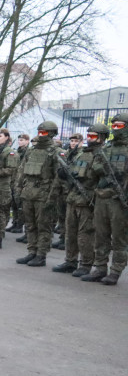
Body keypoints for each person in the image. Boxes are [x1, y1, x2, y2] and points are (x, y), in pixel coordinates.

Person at [82, 112, 128, 285]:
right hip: (102, 197)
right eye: (113, 126)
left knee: (119, 237)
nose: (115, 129)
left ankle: (115, 270)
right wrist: (103, 170)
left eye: (119, 126)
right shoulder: (106, 148)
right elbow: (95, 166)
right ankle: (100, 267)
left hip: (120, 199)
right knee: (101, 235)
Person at [54, 124, 104, 276]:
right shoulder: (81, 154)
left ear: (102, 137)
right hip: (73, 197)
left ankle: (86, 263)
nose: (90, 139)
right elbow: (72, 170)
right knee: (70, 232)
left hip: (87, 199)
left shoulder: (102, 155)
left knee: (85, 234)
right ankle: (70, 261)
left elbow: (102, 178)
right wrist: (64, 173)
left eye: (93, 136)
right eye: (88, 136)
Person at [15, 121, 61, 268]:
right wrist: (18, 190)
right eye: (39, 132)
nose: (41, 135)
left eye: (44, 133)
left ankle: (41, 255)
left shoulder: (56, 152)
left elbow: (58, 178)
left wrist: (52, 197)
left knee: (43, 226)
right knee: (30, 225)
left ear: (52, 134)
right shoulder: (31, 151)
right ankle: (31, 251)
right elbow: (21, 171)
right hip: (28, 192)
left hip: (44, 194)